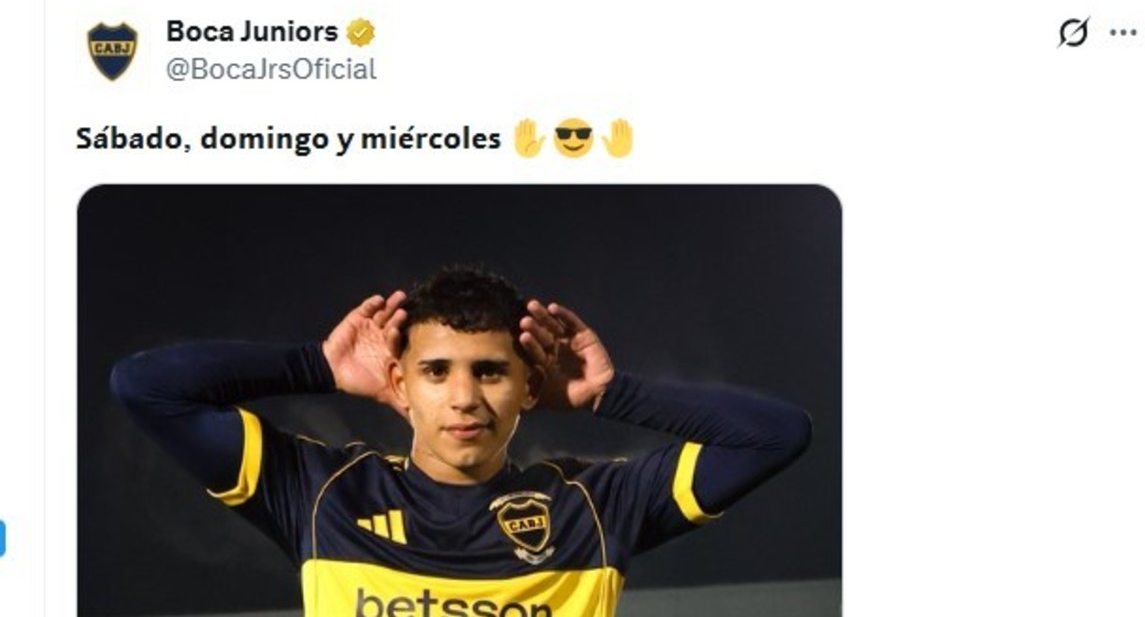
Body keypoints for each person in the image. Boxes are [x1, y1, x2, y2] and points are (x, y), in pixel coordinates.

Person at [109, 266, 812, 617]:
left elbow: (775, 435)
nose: (465, 396)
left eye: (491, 372)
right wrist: (312, 366)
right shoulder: (324, 495)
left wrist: (611, 392)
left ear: (528, 388)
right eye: (436, 371)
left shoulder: (595, 507)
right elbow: (145, 386)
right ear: (400, 383)